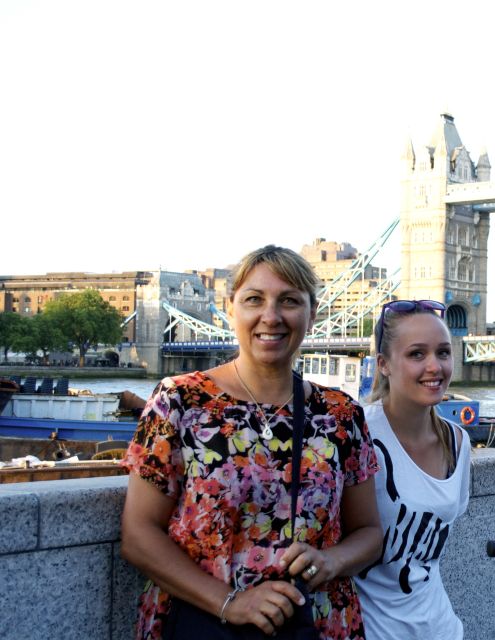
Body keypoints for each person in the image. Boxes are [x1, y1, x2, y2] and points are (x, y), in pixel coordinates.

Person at [120, 245, 382, 639]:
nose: (271, 316)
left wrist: (330, 561)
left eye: (290, 301)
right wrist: (231, 602)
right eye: (254, 300)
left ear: (312, 315)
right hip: (200, 623)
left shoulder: (341, 414)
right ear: (231, 309)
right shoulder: (179, 401)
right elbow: (138, 536)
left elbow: (370, 534)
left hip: (313, 625)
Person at [354, 300, 470, 640]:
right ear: (384, 364)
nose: (435, 366)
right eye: (417, 354)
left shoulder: (458, 443)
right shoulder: (357, 434)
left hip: (443, 629)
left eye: (443, 353)